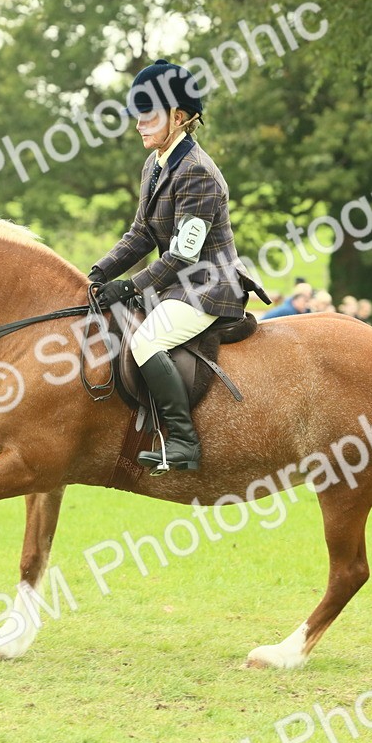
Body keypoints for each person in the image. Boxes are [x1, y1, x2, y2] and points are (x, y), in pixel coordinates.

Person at [89, 59, 265, 473]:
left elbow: (183, 255)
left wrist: (130, 287)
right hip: (178, 284)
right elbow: (141, 234)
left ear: (179, 117)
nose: (138, 125)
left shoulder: (197, 172)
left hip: (208, 286)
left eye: (148, 115)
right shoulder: (155, 165)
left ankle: (184, 442)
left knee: (146, 341)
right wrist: (99, 273)